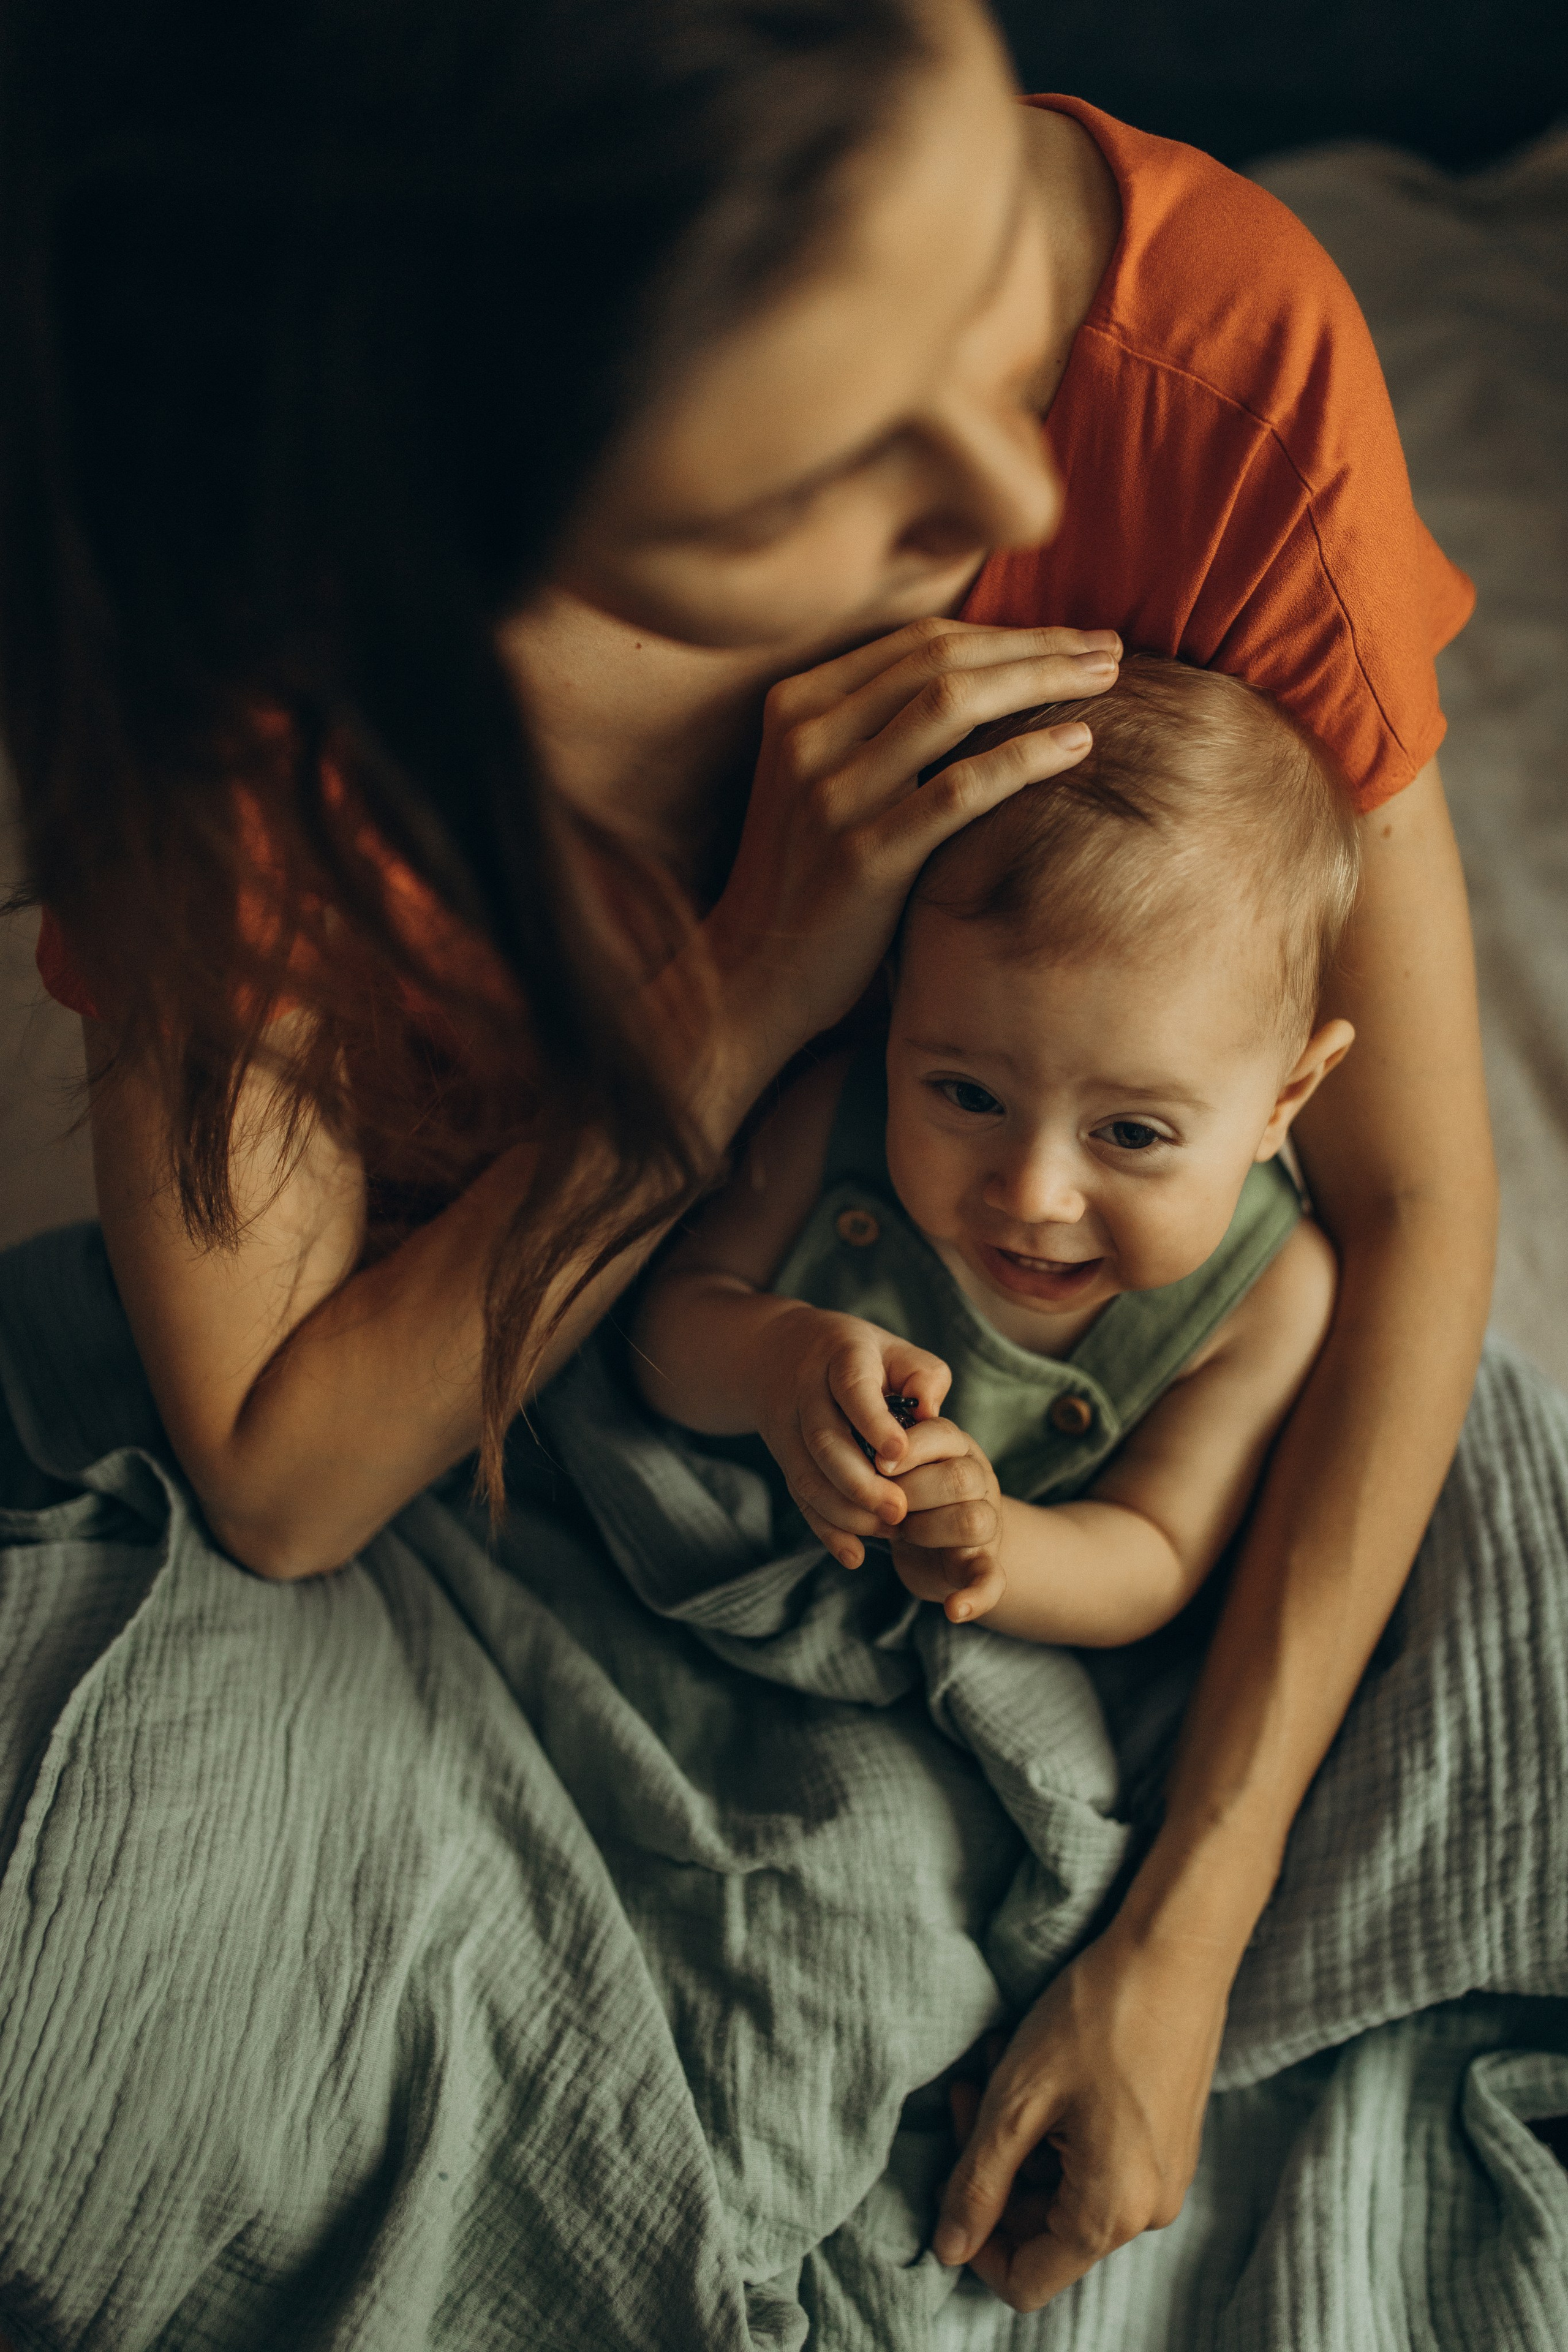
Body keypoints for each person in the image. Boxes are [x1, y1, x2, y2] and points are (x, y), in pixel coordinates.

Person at [0, 0, 1508, 2328]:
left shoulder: (1203, 370)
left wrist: (1184, 1945)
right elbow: (290, 1481)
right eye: (832, 473)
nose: (1012, 514)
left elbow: (1404, 1206)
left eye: (983, 275)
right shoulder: (244, 686)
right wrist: (752, 989)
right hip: (514, 1467)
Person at [631, 657, 1357, 1649]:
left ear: (1286, 1101)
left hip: (987, 1637)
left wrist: (994, 1544)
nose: (1034, 1193)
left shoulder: (1269, 1297)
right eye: (969, 1095)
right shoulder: (833, 1117)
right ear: (897, 1011)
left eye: (1133, 1134)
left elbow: (1156, 1555)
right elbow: (659, 1339)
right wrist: (772, 1361)